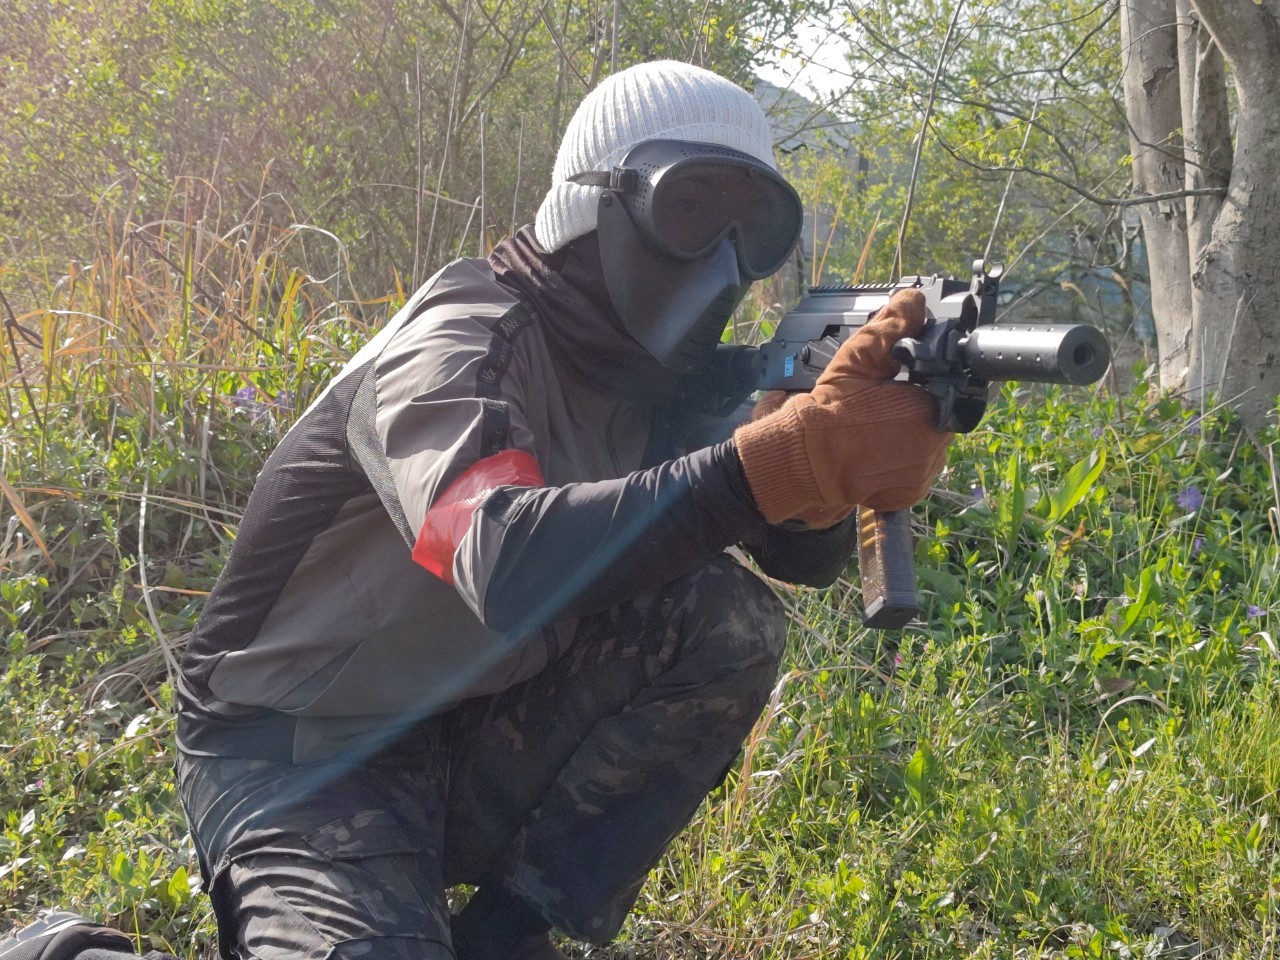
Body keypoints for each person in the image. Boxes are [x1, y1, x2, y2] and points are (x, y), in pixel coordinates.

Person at [3, 60, 949, 960]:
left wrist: (818, 481)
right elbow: (504, 560)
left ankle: (504, 934)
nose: (722, 258)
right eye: (691, 210)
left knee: (724, 620)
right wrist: (781, 459)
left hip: (471, 722)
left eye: (750, 230)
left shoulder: (650, 380)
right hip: (297, 755)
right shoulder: (457, 341)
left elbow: (799, 560)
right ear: (593, 203)